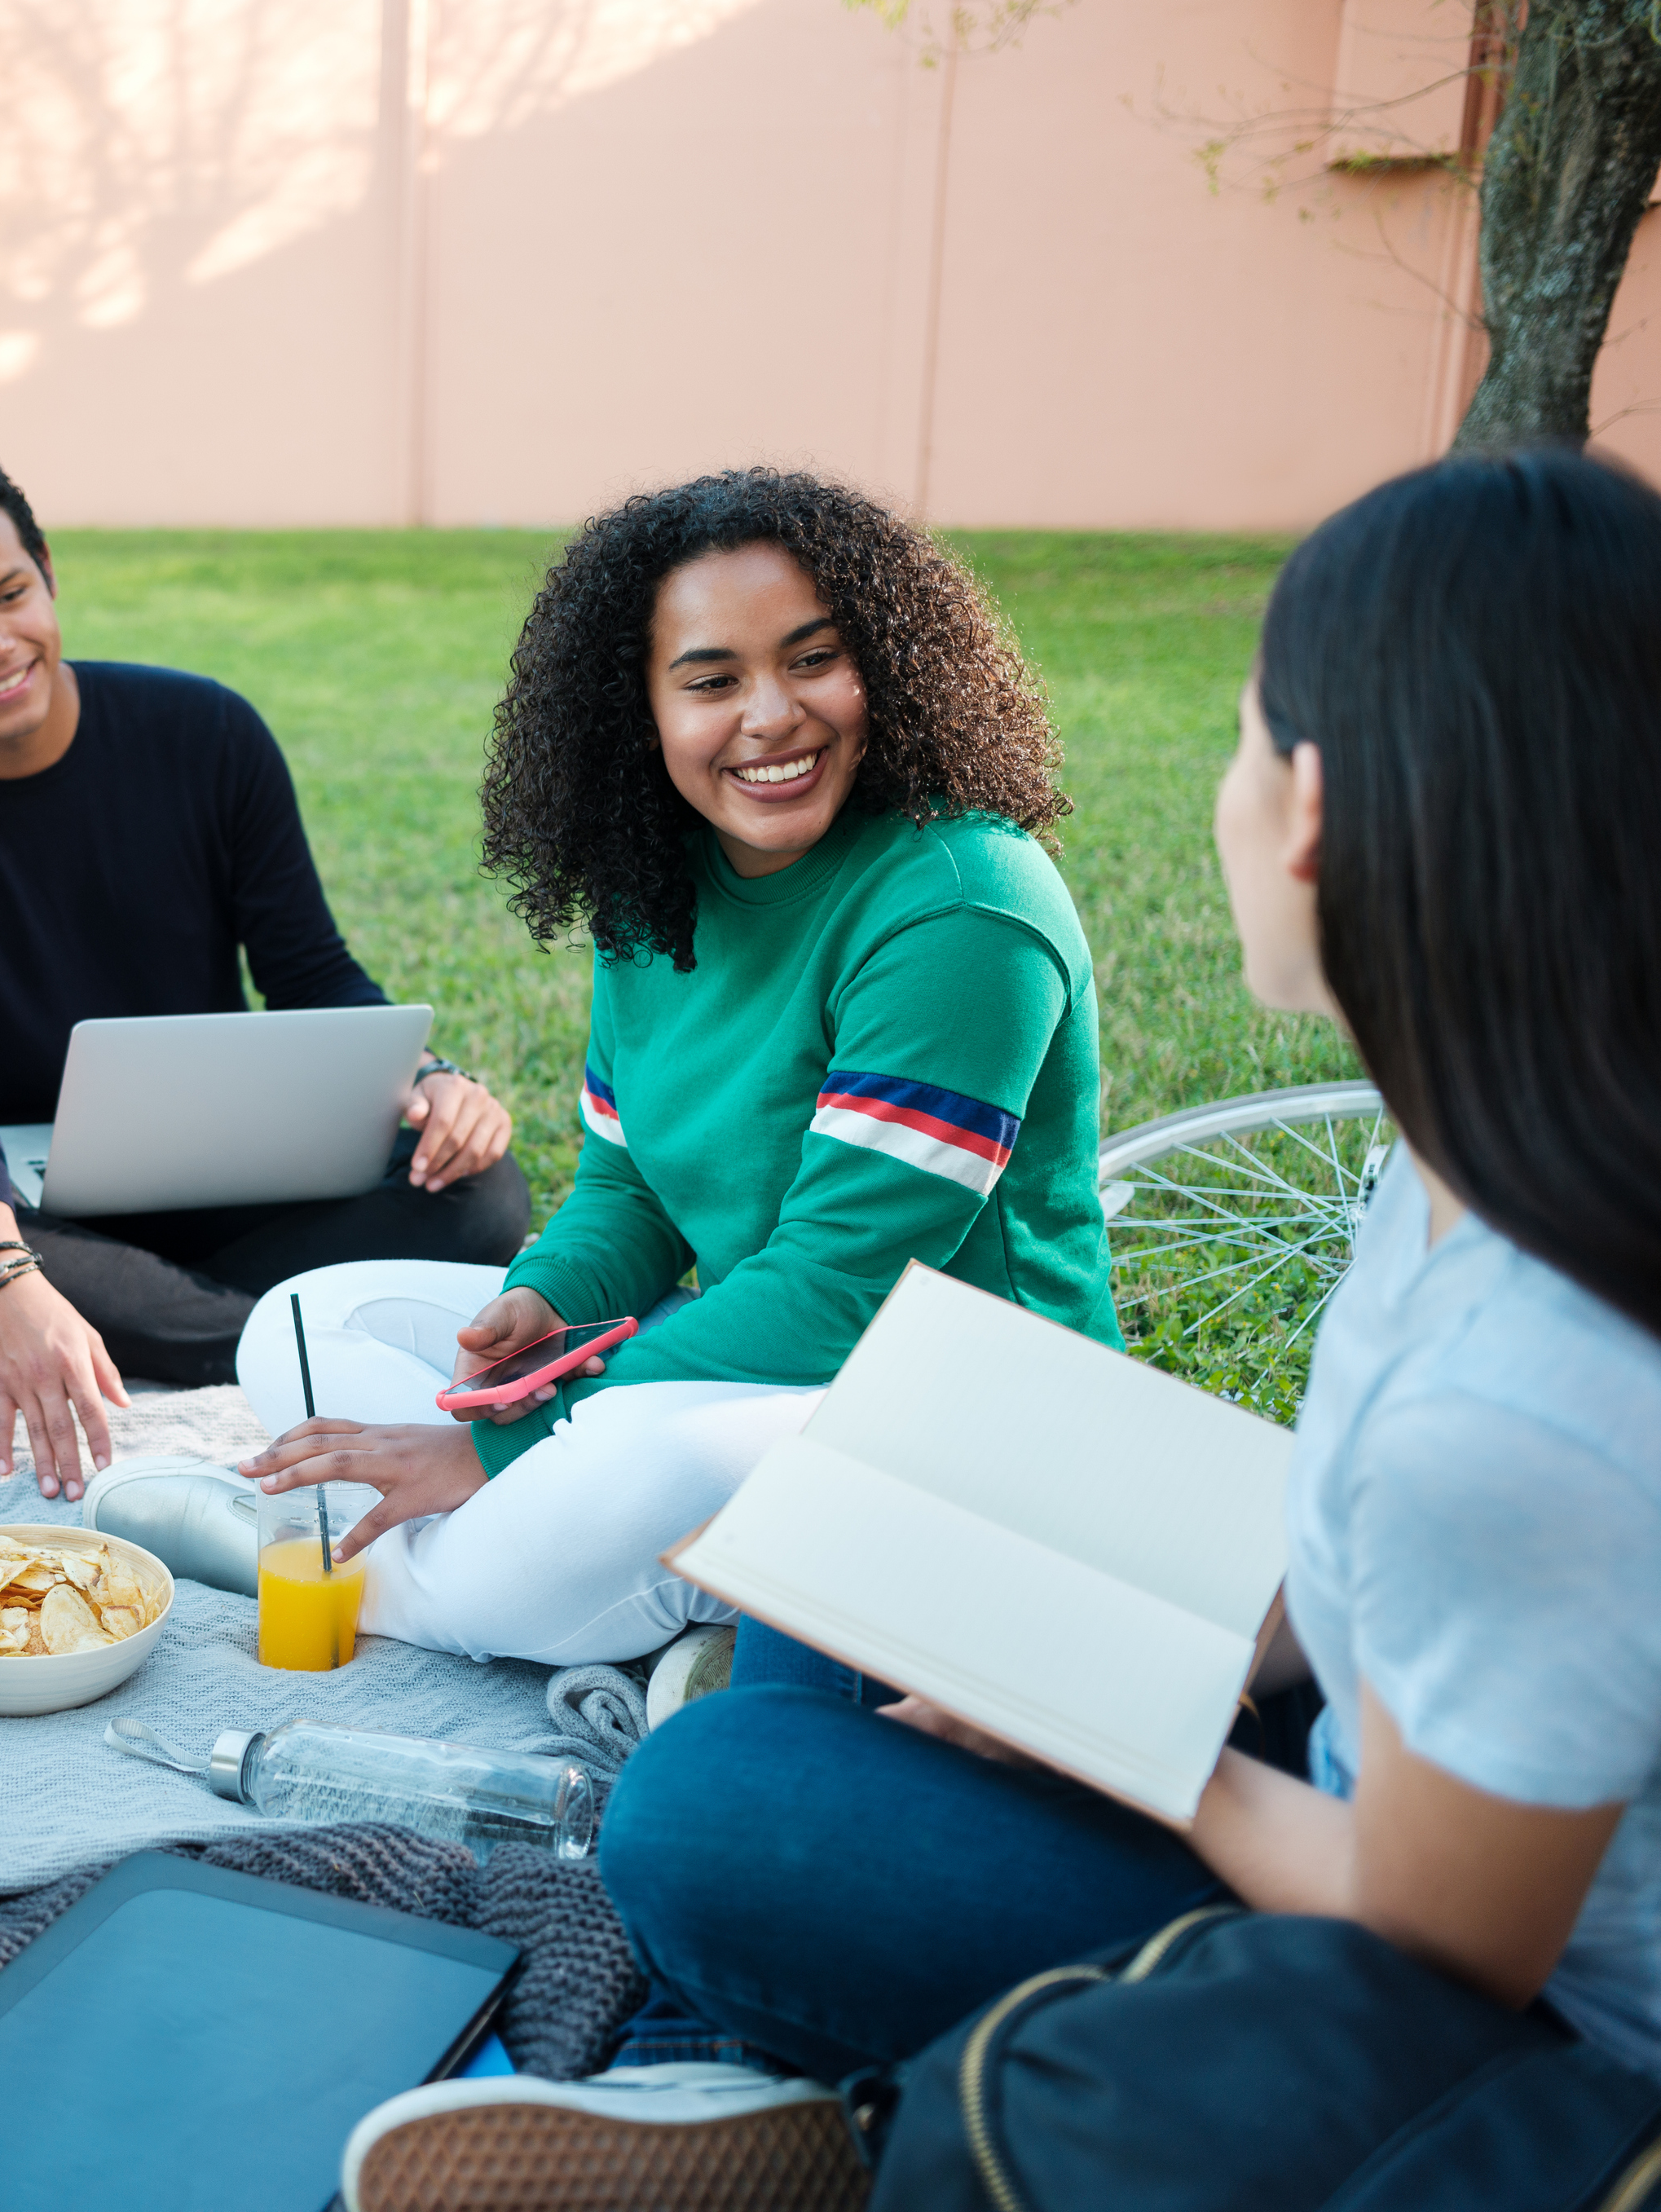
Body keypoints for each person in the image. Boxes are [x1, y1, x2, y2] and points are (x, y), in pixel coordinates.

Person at [355, 448, 1661, 2199]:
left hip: (1570, 2047)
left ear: (1319, 812)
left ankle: (784, 2097)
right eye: (708, 676)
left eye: (1244, 732)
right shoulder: (1504, 1152)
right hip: (1370, 1747)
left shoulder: (1532, 1392)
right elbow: (1362, 1555)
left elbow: (1448, 1935)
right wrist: (1087, 1638)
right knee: (854, 1574)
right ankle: (768, 2071)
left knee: (706, 1805)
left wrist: (1125, 1723)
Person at [246, 469, 1117, 1665]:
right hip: (769, 1362)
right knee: (303, 1318)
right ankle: (606, 1576)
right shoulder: (656, 887)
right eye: (712, 681)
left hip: (960, 1423)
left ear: (891, 664)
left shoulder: (965, 907)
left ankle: (337, 1564)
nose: (772, 717)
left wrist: (500, 1445)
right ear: (637, 710)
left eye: (814, 660)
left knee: (627, 1460)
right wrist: (545, 1300)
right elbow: (633, 1186)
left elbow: (836, 1288)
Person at [0, 434, 530, 1496]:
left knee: (481, 1194)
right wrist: (4, 1271)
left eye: (11, 594)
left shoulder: (207, 733)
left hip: (241, 1168)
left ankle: (145, 1327)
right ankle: (278, 1337)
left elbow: (311, 970)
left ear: (49, 570)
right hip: (48, 1206)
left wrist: (430, 1084)